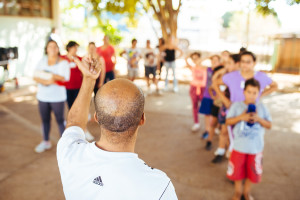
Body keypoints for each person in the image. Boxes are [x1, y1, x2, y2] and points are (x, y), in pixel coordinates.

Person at [56, 56, 178, 200]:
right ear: (142, 119)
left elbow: (74, 122)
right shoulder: (159, 186)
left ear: (96, 117)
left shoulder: (70, 153)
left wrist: (88, 79)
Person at [213, 51, 278, 154]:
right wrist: (224, 99)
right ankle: (230, 157)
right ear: (239, 63)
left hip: (251, 112)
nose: (245, 64)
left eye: (248, 62)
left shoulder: (261, 76)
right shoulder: (232, 76)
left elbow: (275, 86)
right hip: (234, 112)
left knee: (249, 137)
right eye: (243, 61)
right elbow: (215, 83)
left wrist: (260, 95)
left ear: (254, 63)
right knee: (233, 138)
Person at [226, 78, 272, 200]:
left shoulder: (262, 107)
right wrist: (241, 117)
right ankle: (237, 193)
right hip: (239, 147)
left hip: (255, 148)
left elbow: (269, 125)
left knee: (252, 174)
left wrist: (259, 119)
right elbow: (227, 121)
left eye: (254, 92)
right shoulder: (236, 106)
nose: (251, 95)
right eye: (249, 92)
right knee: (237, 174)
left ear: (259, 93)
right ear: (244, 92)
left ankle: (246, 193)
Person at [33, 40, 70, 153]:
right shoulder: (42, 60)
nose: (52, 49)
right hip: (43, 97)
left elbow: (65, 78)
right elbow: (35, 75)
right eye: (50, 46)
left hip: (57, 97)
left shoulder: (63, 62)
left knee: (60, 120)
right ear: (47, 49)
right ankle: (46, 142)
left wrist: (46, 74)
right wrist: (48, 80)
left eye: (55, 46)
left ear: (58, 49)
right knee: (45, 120)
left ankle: (65, 146)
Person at [211, 54, 240, 163]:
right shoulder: (227, 75)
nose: (226, 65)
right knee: (224, 131)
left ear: (237, 64)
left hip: (239, 108)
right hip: (227, 106)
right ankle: (221, 151)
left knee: (235, 133)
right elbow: (214, 82)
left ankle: (232, 154)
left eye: (229, 63)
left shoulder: (244, 76)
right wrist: (224, 99)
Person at [185, 52, 207, 131]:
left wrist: (201, 60)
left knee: (205, 107)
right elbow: (186, 59)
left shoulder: (205, 68)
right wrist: (190, 54)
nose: (195, 60)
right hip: (194, 88)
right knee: (194, 106)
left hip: (203, 89)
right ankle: (196, 123)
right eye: (193, 59)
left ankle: (209, 126)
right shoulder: (193, 67)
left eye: (196, 58)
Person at [61, 41, 82, 109]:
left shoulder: (79, 59)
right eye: (74, 47)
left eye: (77, 48)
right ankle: (71, 119)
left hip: (78, 86)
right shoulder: (62, 58)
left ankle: (77, 119)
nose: (76, 49)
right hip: (66, 87)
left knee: (77, 106)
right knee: (70, 106)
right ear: (69, 48)